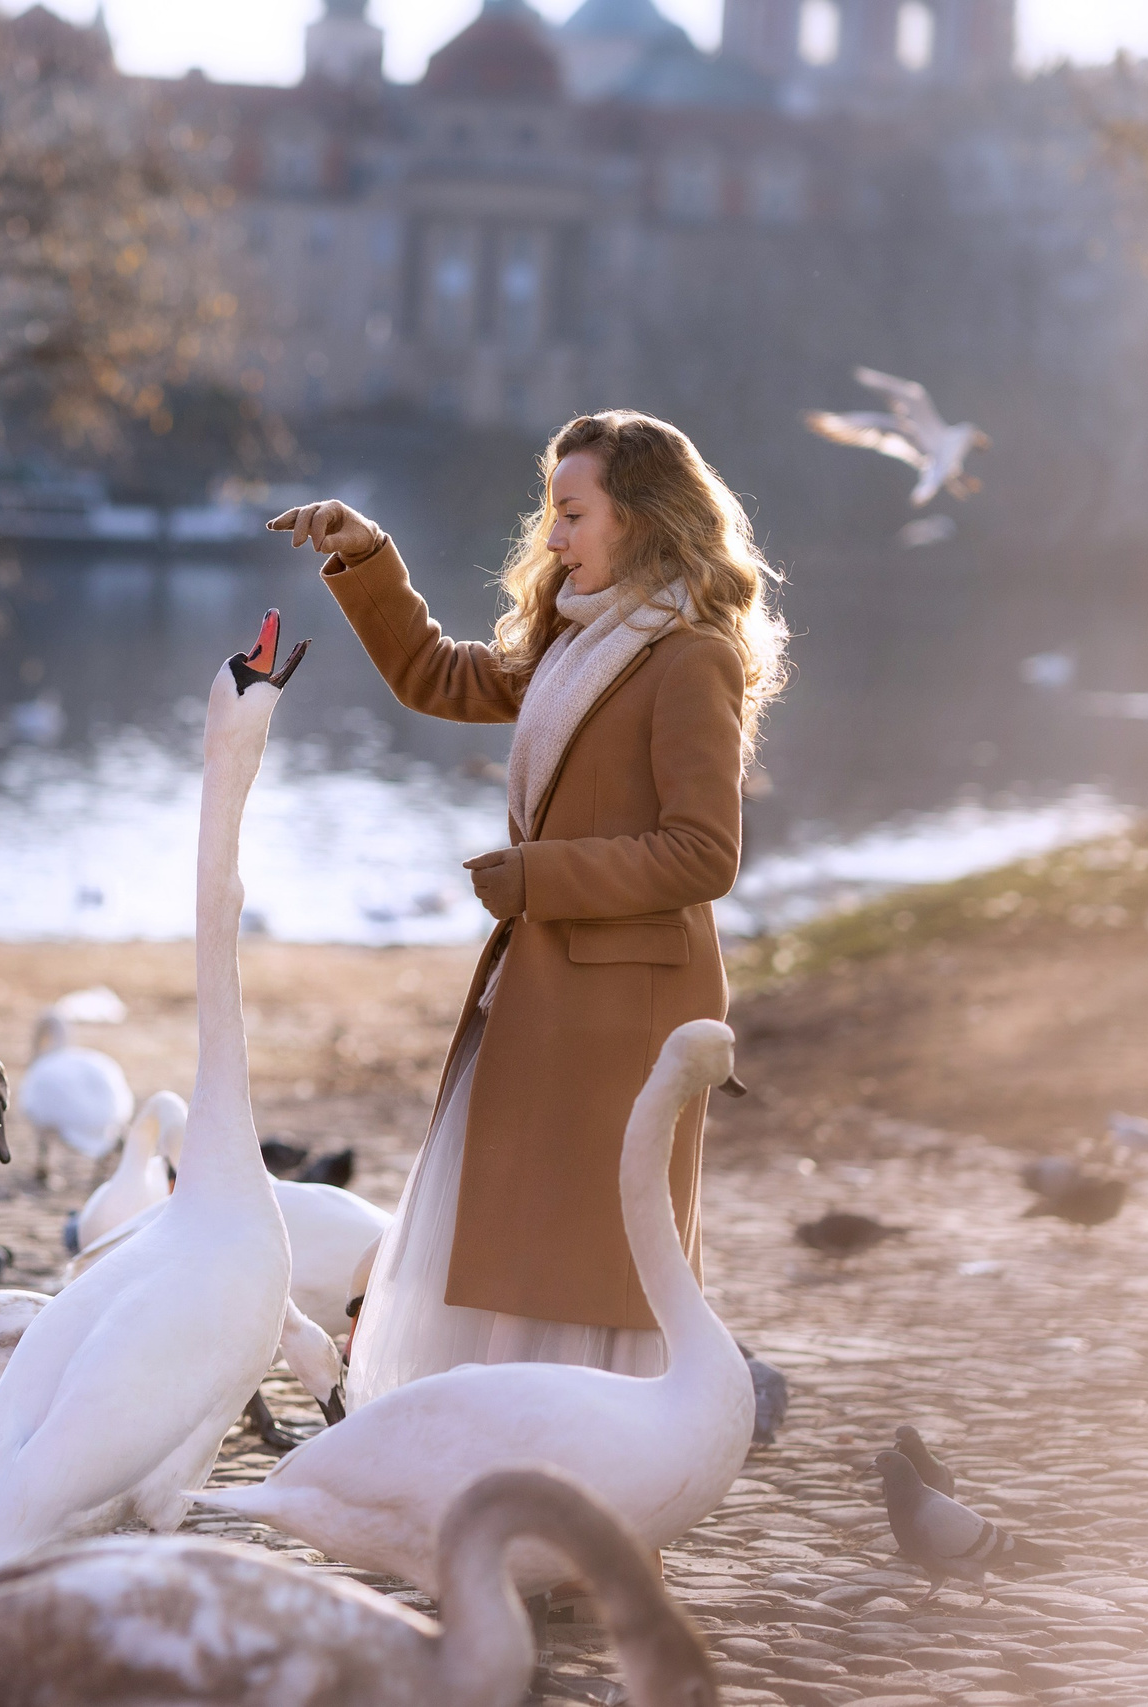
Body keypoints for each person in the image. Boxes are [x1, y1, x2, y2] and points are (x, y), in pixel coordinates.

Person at [271, 411, 787, 1405]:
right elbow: (437, 676)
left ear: (637, 518)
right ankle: (516, 1481)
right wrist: (369, 558)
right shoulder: (582, 636)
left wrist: (537, 876)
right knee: (517, 1261)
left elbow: (703, 853)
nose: (551, 538)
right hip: (549, 998)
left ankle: (596, 1506)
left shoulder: (690, 657)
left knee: (590, 1284)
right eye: (550, 513)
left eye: (571, 513)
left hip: (619, 1019)